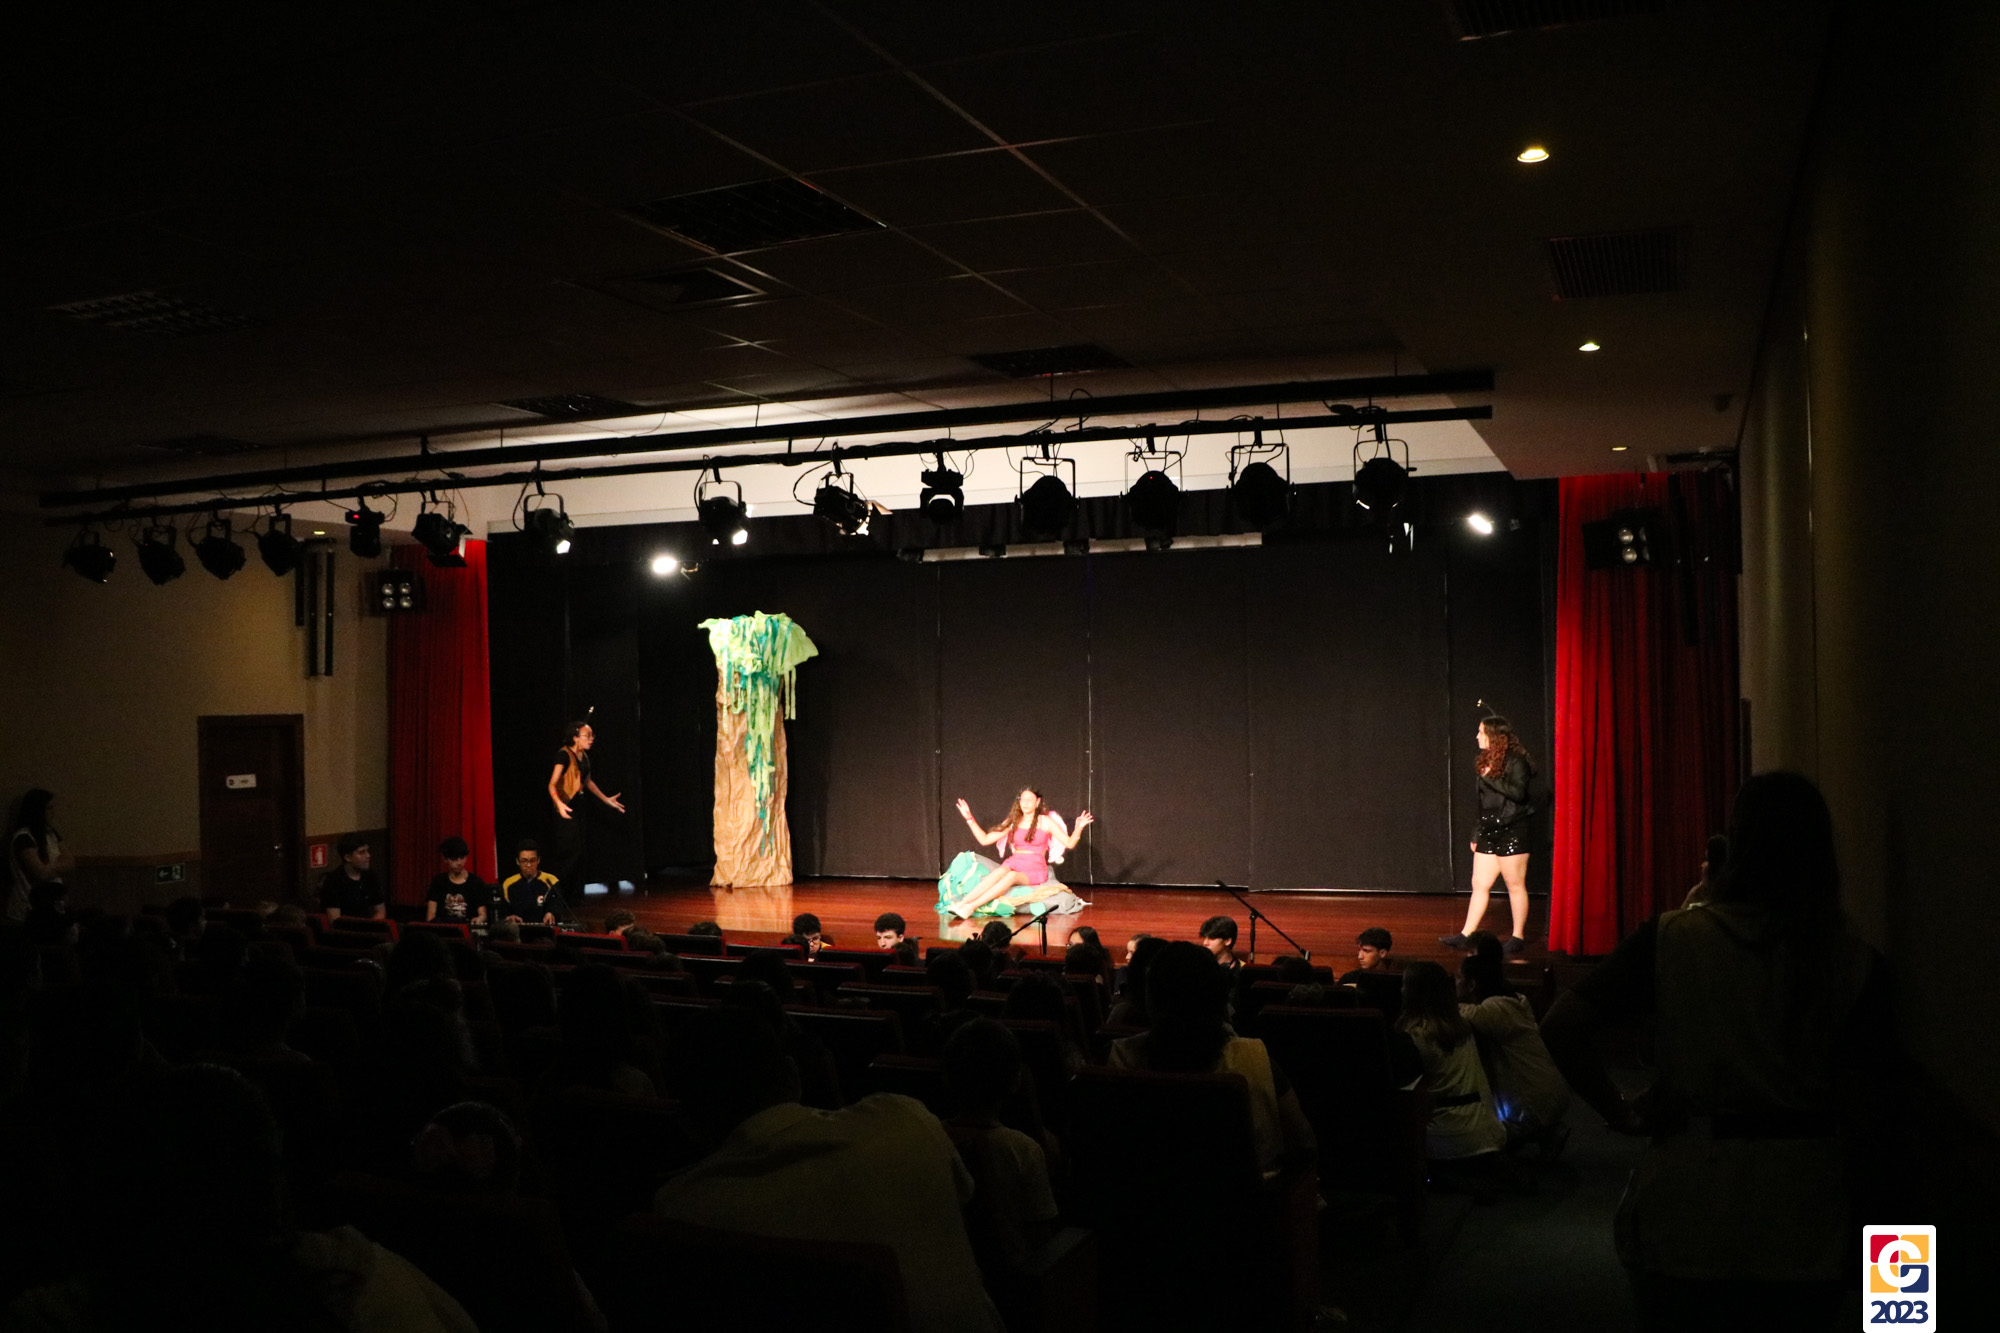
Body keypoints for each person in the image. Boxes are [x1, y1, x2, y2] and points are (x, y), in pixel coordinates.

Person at [1540, 773, 1892, 1331]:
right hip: (1806, 1215)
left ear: (1737, 842)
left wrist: (1621, 1112)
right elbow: (1877, 1129)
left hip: (1687, 1205)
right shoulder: (1856, 963)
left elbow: (1562, 1024)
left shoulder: (1674, 938)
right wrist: (1898, 1301)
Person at [655, 1006, 1005, 1333]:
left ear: (687, 1121)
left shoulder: (679, 1214)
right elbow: (969, 1203)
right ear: (793, 1075)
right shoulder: (906, 1121)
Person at [1107, 941, 1315, 1175]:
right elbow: (1303, 1141)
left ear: (1150, 998)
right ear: (1220, 999)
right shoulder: (1255, 1058)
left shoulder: (1119, 1058)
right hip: (1246, 1195)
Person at [940, 1019, 1060, 1275]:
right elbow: (1041, 1239)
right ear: (1016, 1080)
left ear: (947, 1077)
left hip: (952, 1270)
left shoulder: (931, 1137)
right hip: (1016, 1277)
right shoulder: (1023, 1149)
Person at [1397, 960, 1508, 1174]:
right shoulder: (1466, 1028)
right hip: (1486, 1131)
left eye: (1404, 986)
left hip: (1440, 1139)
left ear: (1411, 993)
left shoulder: (1412, 1037)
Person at [1458, 946, 1571, 1153]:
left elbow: (1462, 1014)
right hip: (1552, 1090)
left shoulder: (1495, 1010)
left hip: (1533, 1101)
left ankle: (1541, 1133)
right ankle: (1546, 1131)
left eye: (1460, 979)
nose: (1457, 983)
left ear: (1472, 984)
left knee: (1486, 1140)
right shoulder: (1515, 1002)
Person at [1441, 714, 1537, 953]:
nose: (1477, 736)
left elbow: (1518, 793)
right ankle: (1466, 933)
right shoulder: (1484, 761)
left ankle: (1517, 937)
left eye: (1481, 732)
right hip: (1489, 829)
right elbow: (1483, 802)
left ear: (1494, 736)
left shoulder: (1517, 762)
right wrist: (1477, 831)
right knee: (1479, 883)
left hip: (1513, 829)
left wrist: (1489, 777)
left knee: (1515, 884)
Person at [944, 788, 1093, 918]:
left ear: (1037, 802)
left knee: (1011, 876)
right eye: (1023, 799)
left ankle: (971, 907)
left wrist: (1078, 827)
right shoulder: (1014, 821)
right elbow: (985, 839)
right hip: (1014, 862)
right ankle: (962, 904)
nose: (1026, 802)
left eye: (1030, 799)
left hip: (1034, 868)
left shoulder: (1045, 821)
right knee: (1001, 871)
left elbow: (1069, 843)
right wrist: (970, 818)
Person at [547, 718, 625, 896]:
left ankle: (575, 894)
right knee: (569, 852)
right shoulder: (564, 755)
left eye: (592, 736)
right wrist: (559, 804)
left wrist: (606, 800)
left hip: (579, 805)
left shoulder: (584, 757)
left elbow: (588, 782)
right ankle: (558, 894)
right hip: (565, 806)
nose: (591, 739)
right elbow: (551, 784)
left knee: (580, 851)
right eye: (587, 736)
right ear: (575, 737)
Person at [9, 789, 69, 924]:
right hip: (28, 907)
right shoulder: (24, 838)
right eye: (49, 808)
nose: (53, 812)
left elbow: (70, 861)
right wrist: (57, 867)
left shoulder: (51, 833)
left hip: (51, 905)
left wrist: (48, 869)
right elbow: (40, 873)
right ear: (37, 810)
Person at [423, 836, 490, 926]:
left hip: (467, 928)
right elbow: (430, 917)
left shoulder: (476, 882)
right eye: (454, 859)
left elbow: (482, 915)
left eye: (462, 858)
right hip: (443, 928)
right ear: (446, 859)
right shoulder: (438, 881)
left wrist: (479, 919)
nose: (459, 863)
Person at [1339, 927, 1403, 1018]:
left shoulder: (1395, 982)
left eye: (1366, 951)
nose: (1360, 956)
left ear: (1382, 953)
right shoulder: (1349, 978)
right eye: (1359, 950)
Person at [320, 833, 385, 921]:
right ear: (347, 857)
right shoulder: (334, 881)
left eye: (367, 851)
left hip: (368, 925)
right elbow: (335, 921)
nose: (368, 855)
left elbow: (380, 912)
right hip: (345, 928)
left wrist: (370, 926)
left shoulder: (371, 876)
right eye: (362, 852)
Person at [496, 841, 557, 926]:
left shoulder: (551, 881)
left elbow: (556, 905)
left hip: (543, 929)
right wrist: (510, 917)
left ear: (538, 860)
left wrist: (550, 913)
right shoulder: (508, 884)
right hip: (517, 930)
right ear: (518, 861)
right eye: (524, 861)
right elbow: (504, 912)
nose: (528, 865)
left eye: (532, 860)